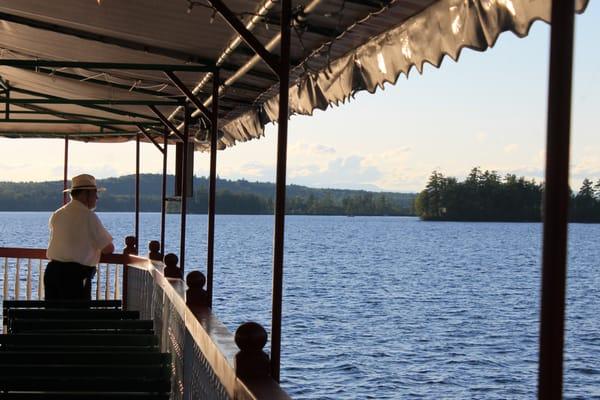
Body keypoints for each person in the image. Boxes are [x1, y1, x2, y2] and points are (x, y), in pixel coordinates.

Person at [45, 174, 114, 300]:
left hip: (52, 273)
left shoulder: (58, 214)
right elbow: (107, 248)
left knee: (53, 316)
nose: (97, 198)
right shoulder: (89, 216)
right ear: (85, 194)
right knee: (77, 317)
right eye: (94, 193)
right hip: (75, 276)